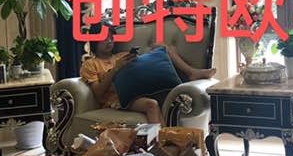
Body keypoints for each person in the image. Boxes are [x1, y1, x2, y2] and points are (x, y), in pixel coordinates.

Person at [80, 22, 216, 124]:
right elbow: (98, 93)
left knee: (163, 48)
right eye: (104, 38)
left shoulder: (122, 56)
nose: (109, 41)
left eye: (111, 37)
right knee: (151, 105)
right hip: (118, 99)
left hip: (138, 90)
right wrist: (116, 69)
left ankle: (192, 72)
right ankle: (159, 144)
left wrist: (156, 52)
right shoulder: (90, 64)